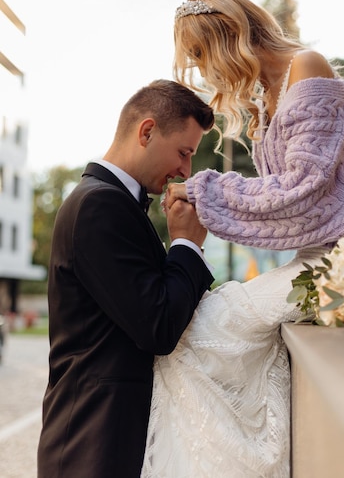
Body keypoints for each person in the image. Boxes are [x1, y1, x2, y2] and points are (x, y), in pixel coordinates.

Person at [140, 0, 344, 477]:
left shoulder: (306, 67)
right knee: (195, 330)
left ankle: (251, 462)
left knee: (196, 333)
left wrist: (203, 189)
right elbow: (281, 197)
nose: (205, 74)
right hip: (317, 258)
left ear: (230, 35)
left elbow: (303, 187)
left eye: (203, 55)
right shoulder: (267, 100)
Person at [37, 79, 215, 478]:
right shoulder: (100, 205)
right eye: (184, 153)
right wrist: (186, 244)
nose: (186, 170)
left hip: (109, 439)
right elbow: (158, 325)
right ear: (147, 131)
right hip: (94, 443)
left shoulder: (111, 202)